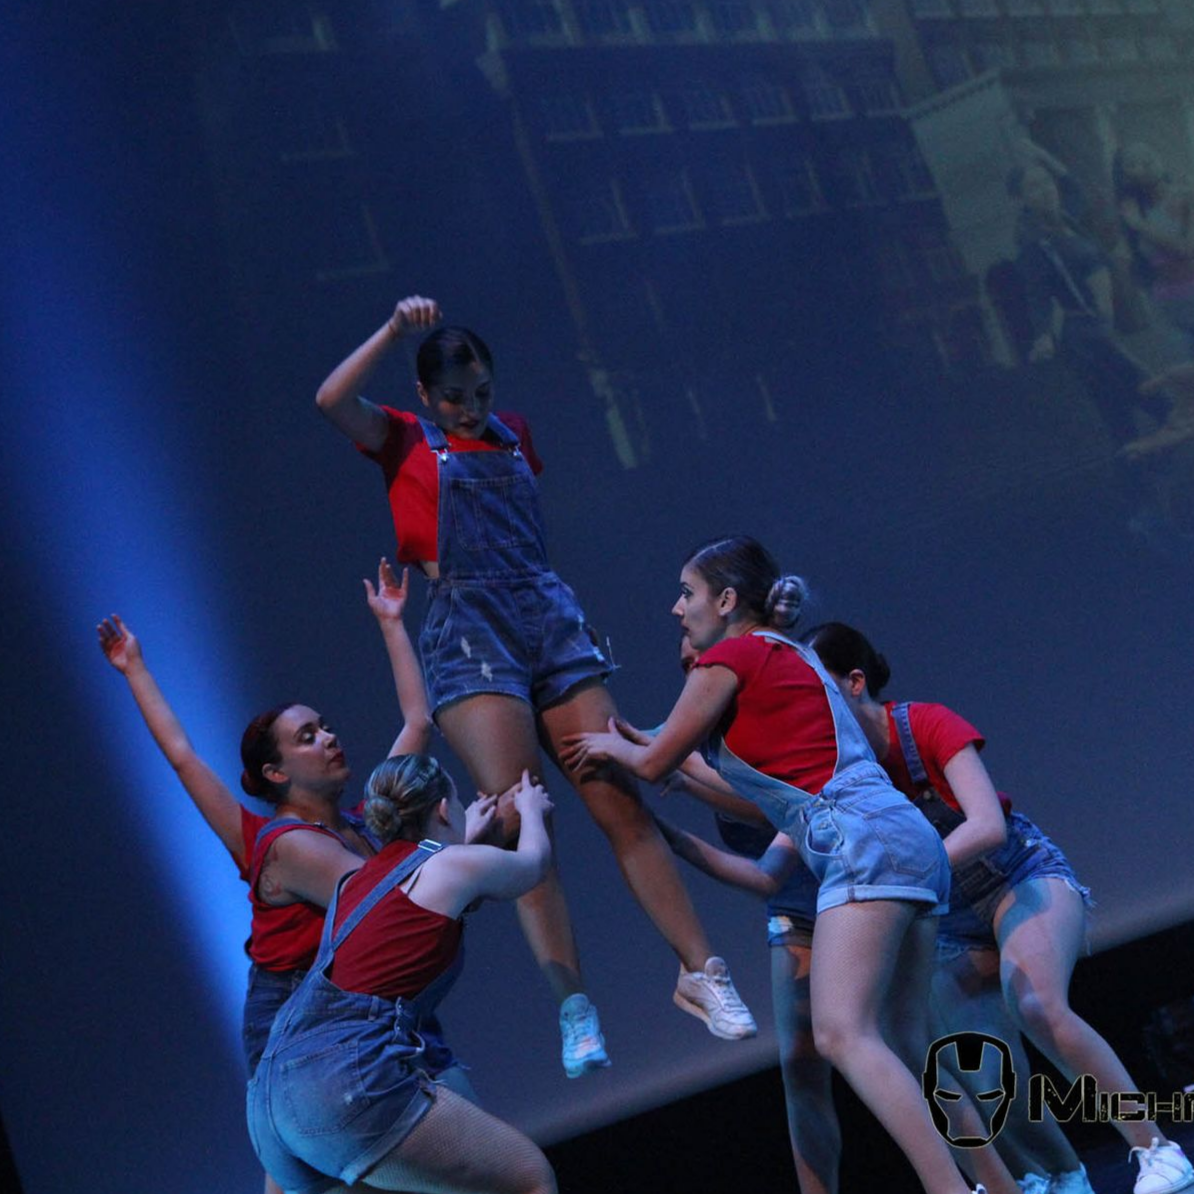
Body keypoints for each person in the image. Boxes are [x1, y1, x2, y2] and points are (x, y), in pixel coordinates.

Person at [313, 294, 755, 1076]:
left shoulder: (514, 435)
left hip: (547, 619)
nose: (472, 409)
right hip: (470, 633)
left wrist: (489, 418)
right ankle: (574, 1007)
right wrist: (390, 329)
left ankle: (702, 973)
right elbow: (330, 400)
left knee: (619, 794)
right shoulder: (405, 440)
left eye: (481, 393)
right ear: (425, 396)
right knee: (522, 824)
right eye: (455, 397)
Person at [562, 535, 1009, 1194]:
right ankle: (997, 1184)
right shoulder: (786, 652)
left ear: (726, 599)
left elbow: (659, 761)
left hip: (861, 847)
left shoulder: (733, 657)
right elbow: (748, 797)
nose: (676, 608)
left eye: (687, 594)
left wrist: (610, 744)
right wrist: (643, 758)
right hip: (902, 841)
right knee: (906, 1042)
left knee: (839, 1034)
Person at [807, 621, 1194, 1194]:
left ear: (855, 682)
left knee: (1036, 1004)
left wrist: (908, 872)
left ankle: (1157, 1150)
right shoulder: (840, 780)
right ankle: (1057, 1179)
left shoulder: (926, 725)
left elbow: (986, 826)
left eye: (818, 691)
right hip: (949, 923)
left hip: (1019, 876)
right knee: (976, 1067)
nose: (809, 711)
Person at [98, 561, 444, 1194]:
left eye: (327, 727)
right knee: (313, 1176)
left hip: (361, 1004)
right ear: (278, 774)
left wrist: (392, 625)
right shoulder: (272, 845)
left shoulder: (368, 823)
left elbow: (418, 723)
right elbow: (182, 758)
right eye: (309, 736)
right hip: (292, 1013)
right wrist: (134, 668)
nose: (330, 738)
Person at [248, 756, 558, 1194]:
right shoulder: (452, 867)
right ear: (445, 811)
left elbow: (407, 894)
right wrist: (530, 809)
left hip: (271, 1100)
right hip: (339, 1085)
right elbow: (531, 864)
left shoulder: (352, 883)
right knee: (530, 1178)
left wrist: (463, 842)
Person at [1113, 142, 1194, 351]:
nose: (1144, 163)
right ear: (1125, 175)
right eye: (1132, 162)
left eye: (1148, 155)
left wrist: (1140, 225)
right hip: (1165, 304)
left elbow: (1187, 248)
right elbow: (1125, 259)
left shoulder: (1185, 196)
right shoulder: (1131, 210)